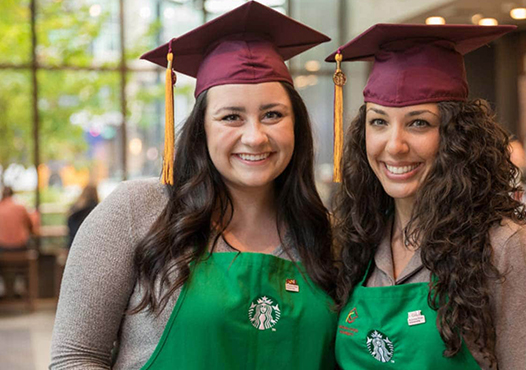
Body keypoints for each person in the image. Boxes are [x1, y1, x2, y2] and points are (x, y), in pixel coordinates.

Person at [50, 3, 337, 369]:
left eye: (273, 114)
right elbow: (76, 357)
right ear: (202, 128)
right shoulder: (135, 212)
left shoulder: (324, 233)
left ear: (296, 123)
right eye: (231, 116)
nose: (255, 136)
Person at [328, 24, 526, 369]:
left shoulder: (505, 246)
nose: (394, 145)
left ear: (456, 137)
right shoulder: (358, 241)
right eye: (379, 122)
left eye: (418, 123)